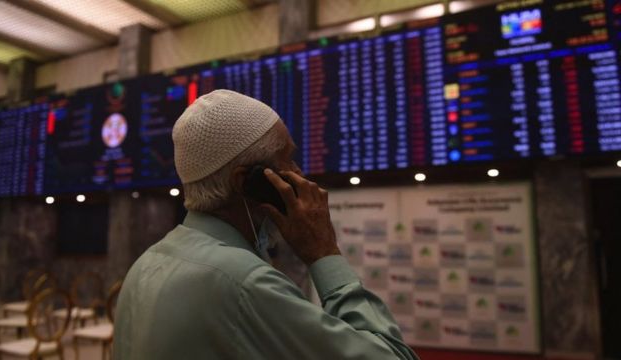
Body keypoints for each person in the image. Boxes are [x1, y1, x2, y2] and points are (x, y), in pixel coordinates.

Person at [113, 89, 419, 359]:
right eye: (287, 159)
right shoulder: (245, 284)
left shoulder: (145, 265)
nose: (300, 174)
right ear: (248, 182)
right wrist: (325, 252)